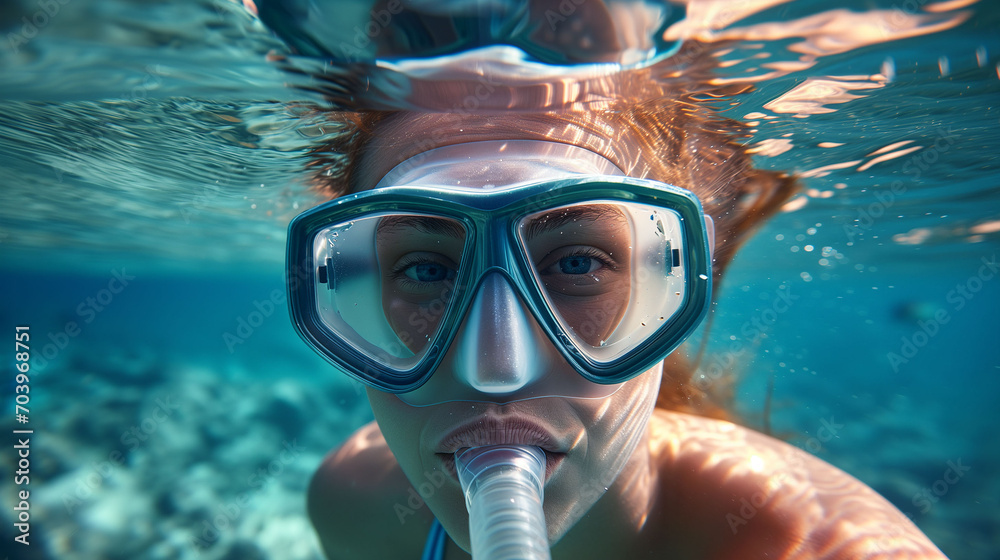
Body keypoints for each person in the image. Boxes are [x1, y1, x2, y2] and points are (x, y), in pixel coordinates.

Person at [289, 99, 948, 559]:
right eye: (426, 270)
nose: (497, 367)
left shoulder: (825, 547)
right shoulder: (356, 508)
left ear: (666, 293)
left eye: (578, 264)